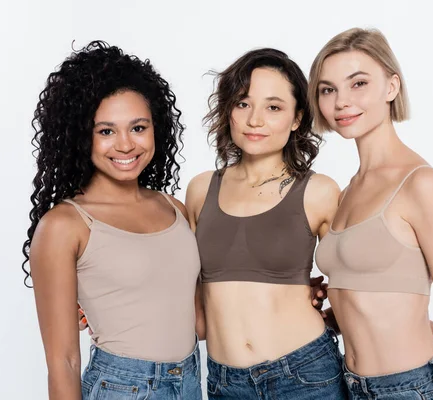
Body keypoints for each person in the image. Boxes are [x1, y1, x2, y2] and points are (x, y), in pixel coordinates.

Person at [23, 41, 203, 400]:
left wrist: (287, 291)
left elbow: (200, 321)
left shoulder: (175, 209)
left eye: (138, 127)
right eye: (106, 131)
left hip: (190, 380)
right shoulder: (65, 226)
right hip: (123, 387)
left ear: (157, 129)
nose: (125, 145)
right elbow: (63, 361)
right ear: (80, 137)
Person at [310, 28, 433, 399]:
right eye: (328, 89)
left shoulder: (420, 184)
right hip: (348, 384)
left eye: (358, 83)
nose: (341, 101)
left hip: (408, 388)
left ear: (391, 87)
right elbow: (373, 296)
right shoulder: (346, 191)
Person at [185, 48, 348, 399]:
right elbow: (181, 284)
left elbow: (365, 278)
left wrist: (406, 321)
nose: (254, 120)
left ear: (296, 119)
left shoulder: (318, 192)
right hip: (225, 383)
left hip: (305, 375)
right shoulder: (200, 190)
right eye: (243, 103)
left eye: (273, 107)